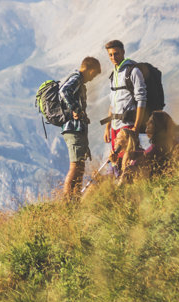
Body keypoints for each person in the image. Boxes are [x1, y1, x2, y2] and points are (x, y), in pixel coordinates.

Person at [58, 56, 102, 200]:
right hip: (73, 129)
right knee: (75, 166)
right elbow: (64, 91)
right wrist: (76, 109)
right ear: (90, 70)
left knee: (80, 166)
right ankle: (67, 201)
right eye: (94, 74)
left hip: (77, 128)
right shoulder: (77, 78)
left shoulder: (78, 80)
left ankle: (75, 198)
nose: (92, 79)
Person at [102, 40, 148, 153]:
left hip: (128, 125)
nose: (113, 57)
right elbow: (112, 104)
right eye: (110, 55)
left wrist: (136, 128)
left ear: (123, 52)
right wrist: (107, 128)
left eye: (116, 53)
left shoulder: (133, 72)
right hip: (114, 127)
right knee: (116, 161)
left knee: (128, 161)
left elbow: (141, 100)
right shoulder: (113, 75)